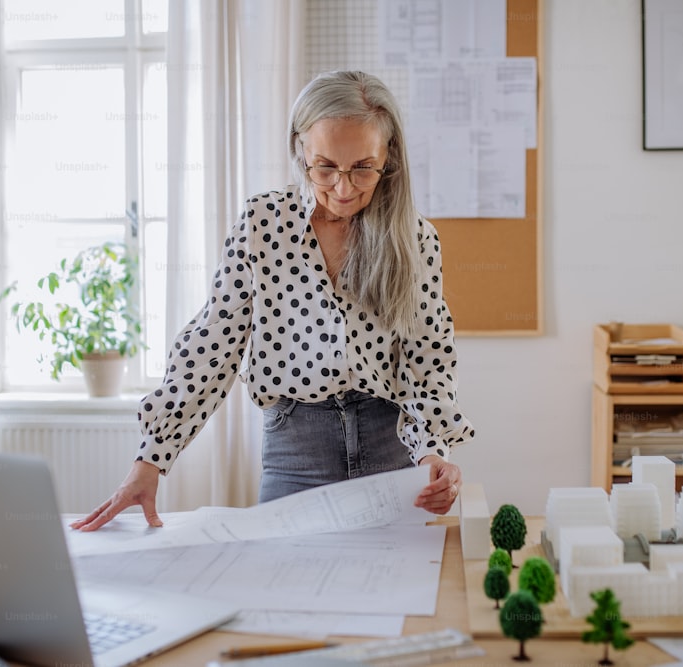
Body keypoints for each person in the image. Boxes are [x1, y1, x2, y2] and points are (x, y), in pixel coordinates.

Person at [72, 70, 475, 532]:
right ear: (299, 150)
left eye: (363, 167)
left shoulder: (415, 239)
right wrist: (150, 460)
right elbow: (213, 343)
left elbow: (428, 357)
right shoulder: (262, 224)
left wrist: (432, 453)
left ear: (390, 159)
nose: (343, 189)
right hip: (295, 448)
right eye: (324, 167)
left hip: (391, 447)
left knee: (396, 596)